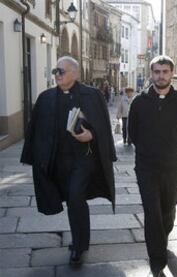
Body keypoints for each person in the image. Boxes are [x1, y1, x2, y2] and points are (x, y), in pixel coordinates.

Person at [20, 56, 117, 266]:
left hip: (84, 160)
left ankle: (78, 247)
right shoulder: (45, 97)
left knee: (74, 197)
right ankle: (81, 240)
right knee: (74, 201)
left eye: (60, 71)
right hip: (58, 161)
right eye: (55, 71)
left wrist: (92, 135)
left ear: (74, 73)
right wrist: (30, 157)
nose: (56, 75)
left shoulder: (92, 95)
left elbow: (102, 125)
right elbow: (34, 129)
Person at [128, 55, 177, 277]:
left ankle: (161, 239)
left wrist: (169, 150)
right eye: (157, 71)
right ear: (151, 73)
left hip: (173, 167)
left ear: (172, 73)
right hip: (146, 168)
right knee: (152, 213)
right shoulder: (139, 102)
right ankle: (157, 259)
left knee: (169, 209)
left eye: (165, 71)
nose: (161, 76)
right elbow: (133, 133)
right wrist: (148, 151)